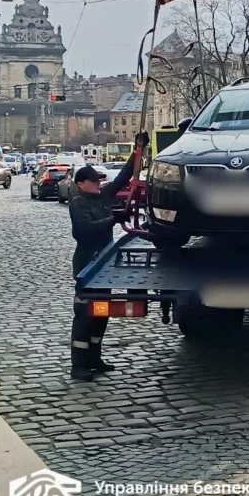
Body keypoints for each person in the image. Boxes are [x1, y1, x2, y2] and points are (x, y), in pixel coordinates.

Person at [69, 132, 149, 381]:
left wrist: (138, 151)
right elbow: (86, 230)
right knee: (85, 315)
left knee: (102, 314)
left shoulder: (102, 195)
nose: (98, 184)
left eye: (99, 181)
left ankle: (95, 358)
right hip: (87, 265)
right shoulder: (78, 203)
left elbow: (125, 177)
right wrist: (113, 219)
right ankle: (79, 365)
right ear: (81, 183)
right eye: (93, 181)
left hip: (104, 263)